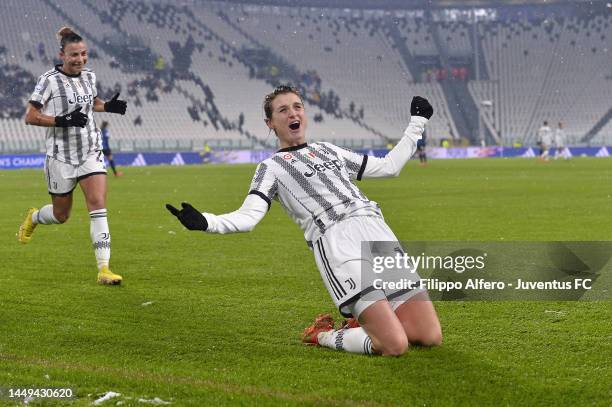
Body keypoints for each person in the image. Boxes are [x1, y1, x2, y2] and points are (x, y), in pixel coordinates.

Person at [166, 85, 442, 356]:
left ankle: (362, 321)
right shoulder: (270, 168)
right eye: (282, 110)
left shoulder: (329, 150)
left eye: (297, 107)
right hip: (337, 241)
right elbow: (248, 216)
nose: (292, 114)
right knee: (395, 346)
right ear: (270, 123)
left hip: (376, 230)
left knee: (428, 337)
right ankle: (324, 335)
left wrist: (416, 123)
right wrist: (206, 221)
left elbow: (388, 168)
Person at [19, 27, 127, 285]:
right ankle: (34, 217)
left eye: (84, 54)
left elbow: (91, 103)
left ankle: (104, 269)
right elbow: (30, 116)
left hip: (90, 151)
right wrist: (62, 120)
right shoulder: (48, 80)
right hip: (61, 157)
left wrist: (107, 106)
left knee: (98, 203)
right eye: (74, 55)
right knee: (61, 215)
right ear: (62, 55)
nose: (80, 59)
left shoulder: (89, 76)